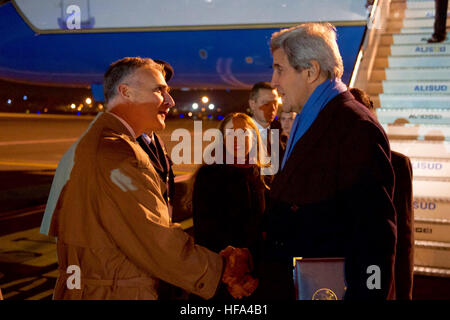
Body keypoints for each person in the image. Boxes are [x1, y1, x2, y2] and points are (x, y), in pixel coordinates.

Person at [39, 57, 257, 300]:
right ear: (126, 93)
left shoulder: (108, 142)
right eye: (158, 90)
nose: (170, 100)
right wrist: (222, 269)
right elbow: (153, 235)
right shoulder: (116, 154)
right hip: (113, 291)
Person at [265, 23, 397, 300]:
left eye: (280, 69)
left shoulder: (355, 127)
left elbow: (375, 238)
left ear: (310, 71)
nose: (274, 81)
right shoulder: (312, 118)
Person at [191, 112, 268, 299]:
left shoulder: (260, 175)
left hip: (255, 275)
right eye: (231, 134)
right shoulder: (210, 175)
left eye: (244, 133)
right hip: (220, 277)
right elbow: (206, 231)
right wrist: (232, 277)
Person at [350, 87, 414, 300]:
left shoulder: (397, 164)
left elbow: (404, 235)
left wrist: (405, 291)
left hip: (380, 268)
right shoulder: (328, 163)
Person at [248, 82, 284, 180]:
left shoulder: (284, 132)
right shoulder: (239, 134)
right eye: (266, 103)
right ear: (252, 104)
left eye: (275, 103)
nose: (273, 108)